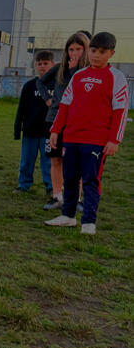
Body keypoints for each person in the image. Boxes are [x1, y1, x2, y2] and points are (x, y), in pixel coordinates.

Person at [45, 32, 127, 235]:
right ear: (88, 51)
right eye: (93, 50)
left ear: (111, 53)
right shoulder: (79, 76)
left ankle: (89, 222)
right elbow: (64, 106)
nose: (96, 55)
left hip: (96, 140)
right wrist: (55, 130)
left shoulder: (116, 77)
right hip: (72, 137)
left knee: (90, 180)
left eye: (102, 52)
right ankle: (68, 216)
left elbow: (120, 111)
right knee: (70, 177)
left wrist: (114, 140)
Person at [37, 32, 90, 210]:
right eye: (71, 49)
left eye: (78, 49)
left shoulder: (88, 71)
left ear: (86, 50)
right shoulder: (59, 68)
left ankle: (76, 198)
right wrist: (47, 99)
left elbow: (77, 89)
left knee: (76, 161)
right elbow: (40, 82)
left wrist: (75, 69)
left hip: (77, 121)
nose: (74, 53)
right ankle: (57, 196)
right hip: (53, 120)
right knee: (56, 159)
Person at [13, 50, 54, 193]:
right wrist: (17, 129)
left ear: (52, 65)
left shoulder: (57, 86)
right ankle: (23, 185)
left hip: (48, 133)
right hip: (30, 131)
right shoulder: (29, 86)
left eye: (46, 63)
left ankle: (51, 187)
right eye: (39, 64)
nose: (42, 66)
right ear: (35, 65)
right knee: (26, 161)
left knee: (48, 162)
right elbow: (21, 110)